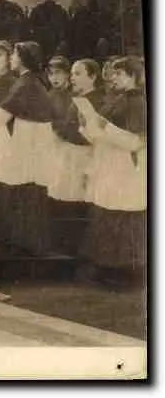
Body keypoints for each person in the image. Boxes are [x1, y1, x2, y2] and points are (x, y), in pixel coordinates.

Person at [0, 41, 56, 259]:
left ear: (23, 59)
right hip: (26, 146)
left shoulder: (24, 84)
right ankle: (21, 244)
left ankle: (7, 246)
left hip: (19, 148)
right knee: (25, 195)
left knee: (9, 194)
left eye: (14, 55)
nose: (11, 58)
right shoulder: (32, 82)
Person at [78, 56, 147, 288]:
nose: (113, 77)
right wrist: (86, 124)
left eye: (120, 73)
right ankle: (108, 269)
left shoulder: (138, 103)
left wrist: (103, 124)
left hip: (127, 168)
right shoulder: (117, 100)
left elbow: (136, 142)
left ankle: (126, 273)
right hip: (110, 166)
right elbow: (100, 137)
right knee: (108, 216)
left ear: (134, 76)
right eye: (113, 73)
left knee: (123, 218)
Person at [47, 59, 104, 254]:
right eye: (72, 74)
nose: (72, 78)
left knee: (79, 200)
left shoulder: (96, 101)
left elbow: (87, 134)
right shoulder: (78, 98)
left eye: (78, 74)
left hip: (84, 156)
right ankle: (70, 246)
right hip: (71, 154)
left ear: (93, 77)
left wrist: (58, 130)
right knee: (67, 199)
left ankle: (78, 249)